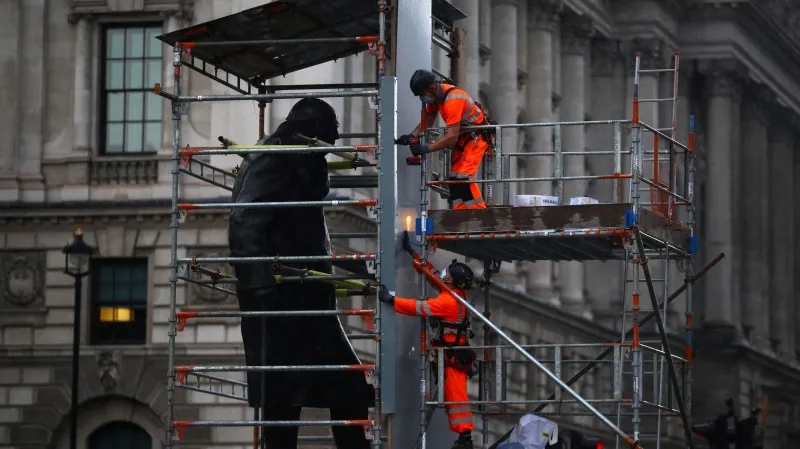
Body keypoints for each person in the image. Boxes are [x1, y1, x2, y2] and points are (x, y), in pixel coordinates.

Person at [228, 97, 374, 449]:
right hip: (281, 298)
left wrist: (355, 268)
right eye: (330, 133)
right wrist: (261, 287)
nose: (333, 142)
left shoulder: (300, 157)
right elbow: (244, 220)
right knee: (283, 396)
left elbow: (307, 233)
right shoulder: (275, 157)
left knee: (347, 386)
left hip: (308, 297)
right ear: (311, 129)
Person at [377, 260, 478, 449]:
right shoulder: (456, 295)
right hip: (453, 353)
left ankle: (465, 437)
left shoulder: (448, 302)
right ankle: (464, 437)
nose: (443, 274)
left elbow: (418, 307)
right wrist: (417, 261)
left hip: (452, 356)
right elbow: (436, 279)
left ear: (451, 280)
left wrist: (392, 300)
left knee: (456, 397)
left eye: (447, 273)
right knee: (454, 396)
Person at [396, 69, 494, 209]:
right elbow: (428, 121)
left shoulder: (453, 100)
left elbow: (451, 137)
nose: (421, 98)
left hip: (477, 137)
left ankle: (478, 214)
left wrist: (425, 148)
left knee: (463, 177)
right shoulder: (436, 98)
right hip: (465, 138)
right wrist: (411, 136)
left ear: (431, 87)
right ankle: (459, 213)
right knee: (454, 179)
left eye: (422, 94)